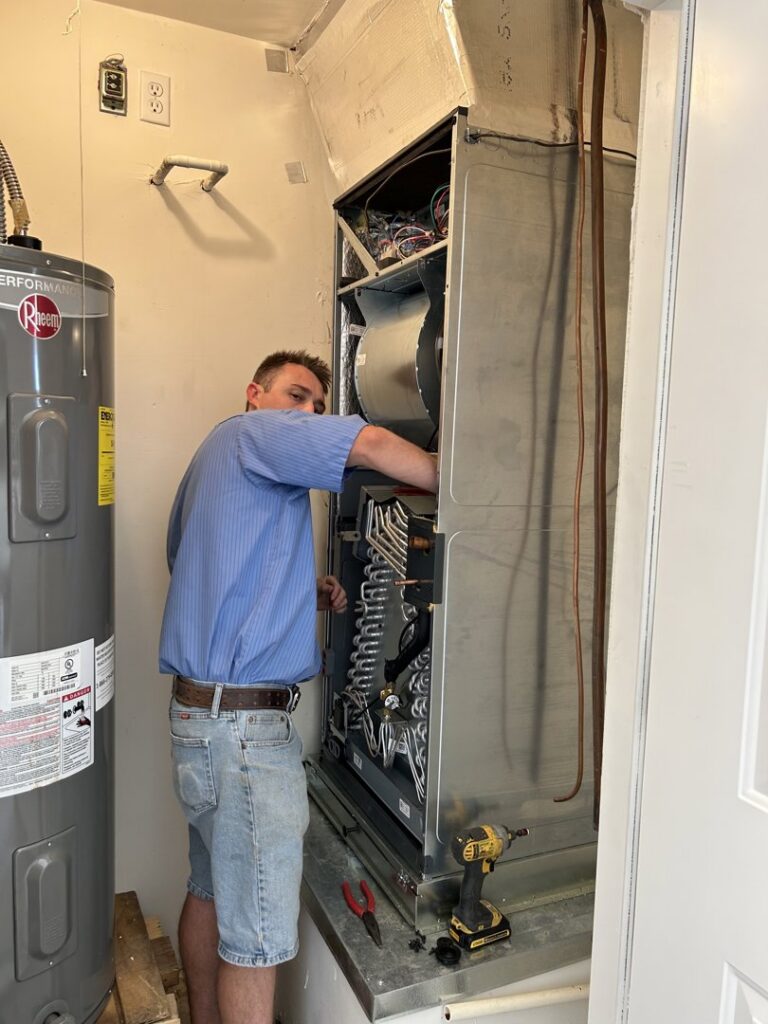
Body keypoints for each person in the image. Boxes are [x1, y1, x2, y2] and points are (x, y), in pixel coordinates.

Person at [159, 350, 437, 1024]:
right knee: (256, 944)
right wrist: (459, 483)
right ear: (254, 394)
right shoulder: (256, 431)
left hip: (202, 722)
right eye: (298, 396)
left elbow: (197, 566)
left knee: (209, 891)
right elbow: (368, 442)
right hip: (247, 739)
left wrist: (294, 593)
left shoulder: (210, 461)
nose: (309, 412)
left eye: (317, 403)